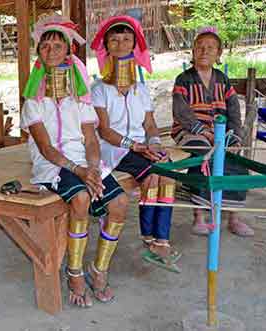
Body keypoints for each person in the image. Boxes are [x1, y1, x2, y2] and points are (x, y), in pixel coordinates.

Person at [21, 15, 129, 307]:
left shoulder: (79, 98)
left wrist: (93, 169)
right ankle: (75, 272)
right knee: (80, 198)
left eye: (58, 45)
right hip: (52, 165)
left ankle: (100, 269)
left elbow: (91, 139)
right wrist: (80, 172)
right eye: (45, 45)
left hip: (83, 160)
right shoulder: (33, 101)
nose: (51, 51)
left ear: (68, 52)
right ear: (39, 53)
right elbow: (44, 147)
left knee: (119, 203)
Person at [90, 15, 181, 272]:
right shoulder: (99, 89)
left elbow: (150, 125)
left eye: (126, 40)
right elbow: (105, 131)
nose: (120, 45)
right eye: (114, 40)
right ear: (106, 47)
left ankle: (160, 237)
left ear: (134, 45)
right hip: (114, 150)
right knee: (153, 175)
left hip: (142, 146)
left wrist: (155, 143)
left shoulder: (141, 89)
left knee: (168, 173)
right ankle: (150, 237)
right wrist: (136, 146)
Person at [171, 27, 254, 237]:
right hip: (190, 132)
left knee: (235, 161)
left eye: (210, 48)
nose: (204, 51)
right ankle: (199, 216)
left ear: (218, 54)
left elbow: (234, 111)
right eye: (199, 47)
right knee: (205, 157)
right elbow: (181, 111)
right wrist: (203, 131)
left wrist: (235, 136)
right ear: (193, 51)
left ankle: (233, 217)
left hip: (221, 134)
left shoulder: (223, 80)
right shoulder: (184, 79)